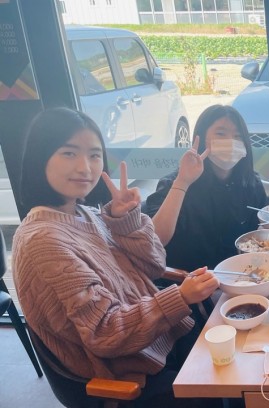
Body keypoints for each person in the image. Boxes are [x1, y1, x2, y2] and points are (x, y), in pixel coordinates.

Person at [12, 107, 220, 406]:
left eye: (94, 155)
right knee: (226, 385)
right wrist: (180, 297)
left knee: (236, 347)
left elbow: (153, 264)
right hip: (129, 373)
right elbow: (104, 332)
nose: (85, 167)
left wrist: (127, 222)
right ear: (39, 157)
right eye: (69, 153)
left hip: (159, 339)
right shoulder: (43, 241)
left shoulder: (85, 213)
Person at [143, 105, 268, 272]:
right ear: (201, 138)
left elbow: (259, 237)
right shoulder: (174, 183)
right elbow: (154, 240)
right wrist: (182, 183)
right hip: (189, 281)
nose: (230, 142)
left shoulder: (251, 183)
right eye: (221, 134)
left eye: (238, 136)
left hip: (241, 275)